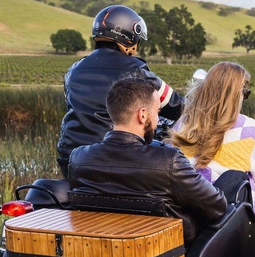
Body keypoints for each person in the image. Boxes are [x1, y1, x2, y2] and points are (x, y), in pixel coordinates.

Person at [68, 78, 227, 244]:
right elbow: (217, 207)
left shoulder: (78, 158)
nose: (158, 120)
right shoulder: (169, 161)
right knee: (234, 181)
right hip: (169, 256)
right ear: (143, 115)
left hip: (106, 251)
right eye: (157, 112)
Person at [55, 5, 184, 177]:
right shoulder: (136, 68)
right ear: (129, 36)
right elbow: (175, 105)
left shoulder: (74, 70)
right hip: (113, 158)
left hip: (70, 160)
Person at [169, 62, 255, 220]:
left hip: (191, 204)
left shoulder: (184, 123)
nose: (244, 97)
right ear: (235, 95)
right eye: (244, 93)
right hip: (228, 210)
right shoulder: (247, 128)